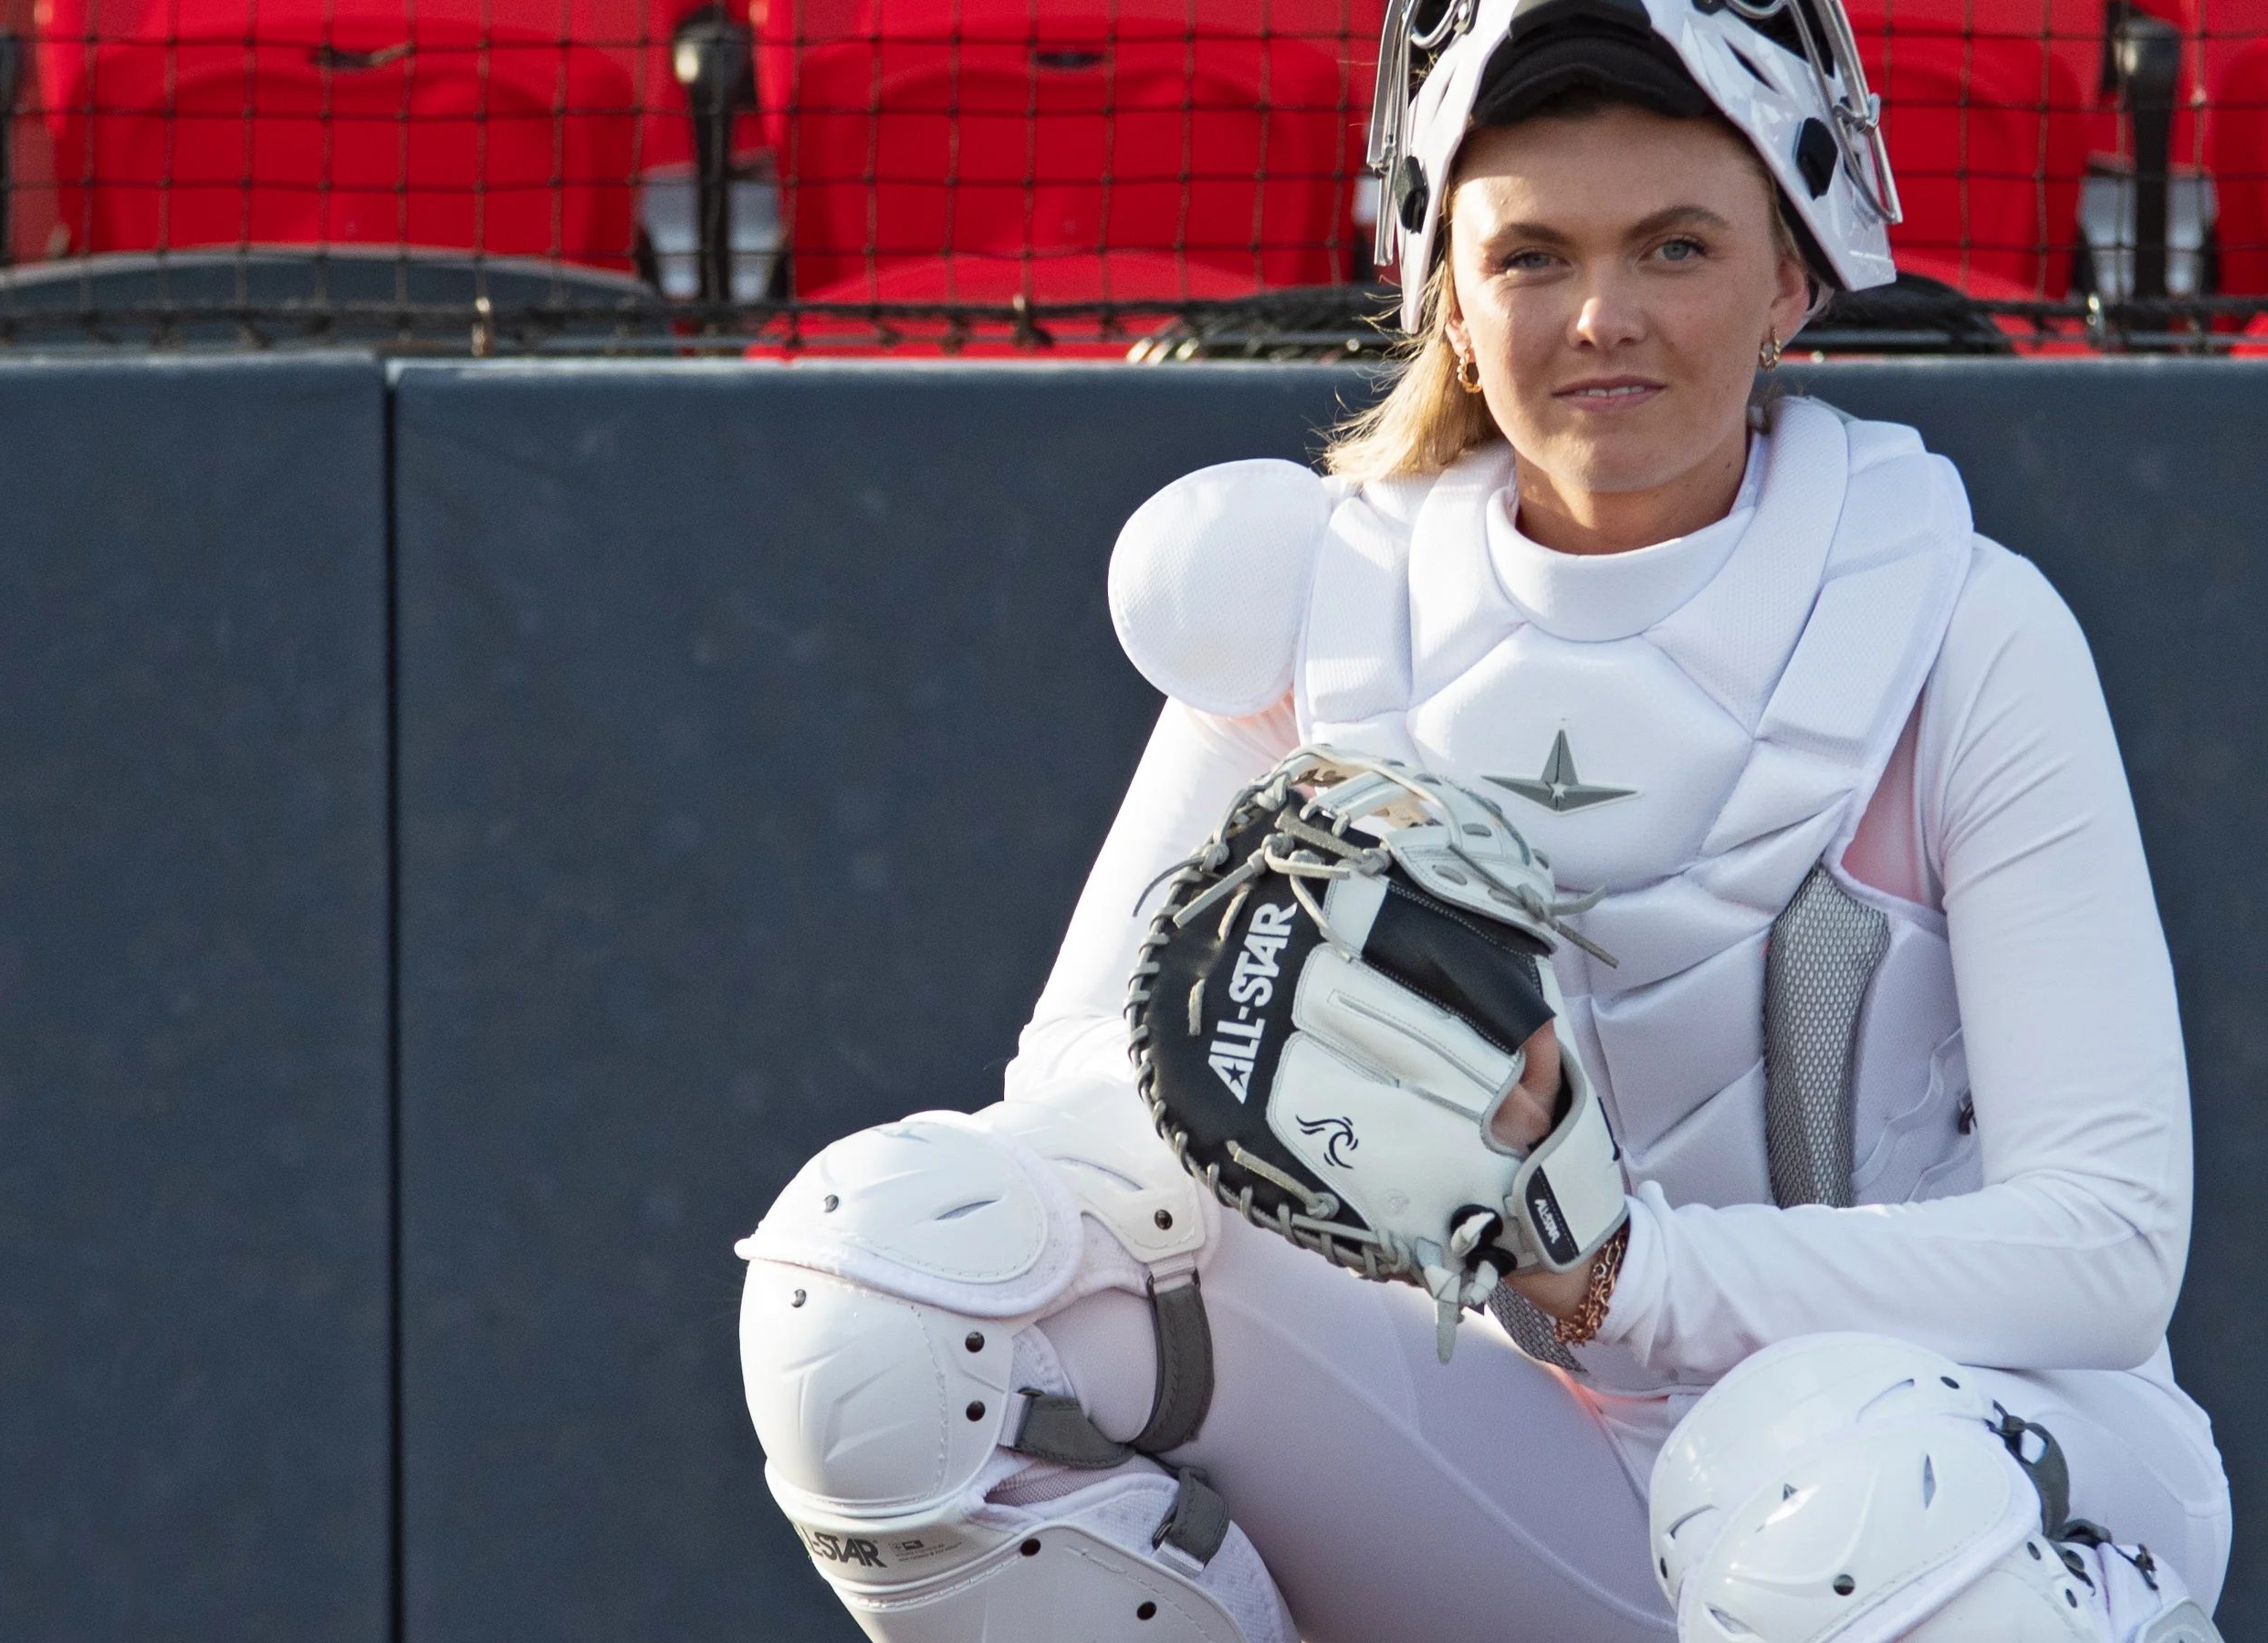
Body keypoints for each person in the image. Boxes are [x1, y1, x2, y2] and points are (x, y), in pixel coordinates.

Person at [731, 0, 2236, 1636]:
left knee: (1829, 1510)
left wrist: (1622, 1276)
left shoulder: (1960, 622)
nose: (1603, 316)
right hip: (1520, 1453)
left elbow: (2103, 1248)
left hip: (1953, 1466)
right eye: (1531, 257)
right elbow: (1071, 1114)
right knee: (901, 1275)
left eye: (1675, 247)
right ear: (1446, 290)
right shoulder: (1326, 599)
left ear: (1794, 275)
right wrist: (1317, 1124)